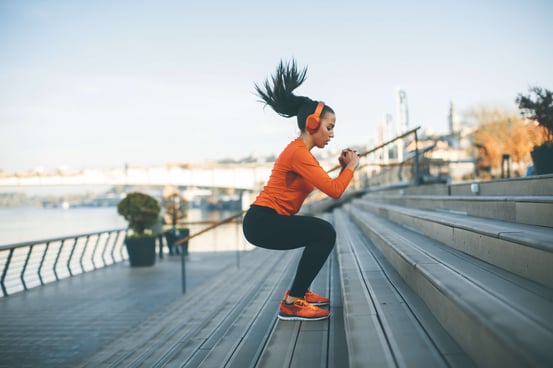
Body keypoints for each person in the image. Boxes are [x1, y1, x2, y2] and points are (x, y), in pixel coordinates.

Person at [242, 60, 360, 321]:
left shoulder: (302, 154)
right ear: (312, 123)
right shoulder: (298, 153)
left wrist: (343, 170)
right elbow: (334, 191)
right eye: (329, 128)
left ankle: (298, 293)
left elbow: (329, 185)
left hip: (266, 220)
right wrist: (351, 167)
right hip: (262, 221)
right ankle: (293, 303)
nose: (331, 135)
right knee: (323, 232)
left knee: (319, 233)